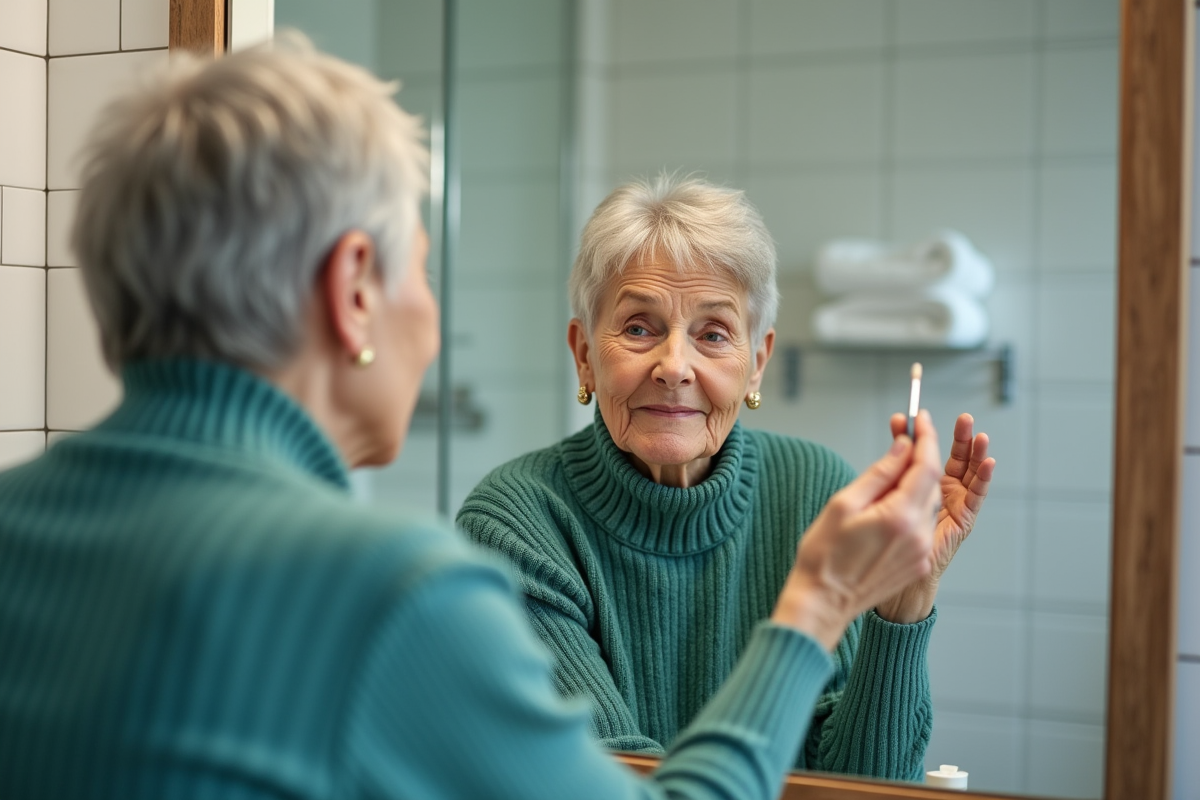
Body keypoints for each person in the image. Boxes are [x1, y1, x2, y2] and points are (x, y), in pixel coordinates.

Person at [0, 41, 942, 800]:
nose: (435, 320)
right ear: (353, 293)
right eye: (420, 267)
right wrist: (814, 603)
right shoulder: (390, 600)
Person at [457, 176, 996, 781]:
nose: (675, 367)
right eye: (639, 327)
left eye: (713, 334)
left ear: (757, 362)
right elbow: (610, 788)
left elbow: (865, 786)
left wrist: (900, 607)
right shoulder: (513, 526)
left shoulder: (814, 490)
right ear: (584, 353)